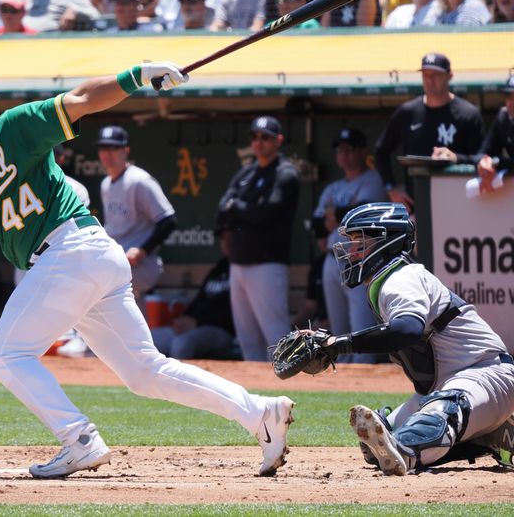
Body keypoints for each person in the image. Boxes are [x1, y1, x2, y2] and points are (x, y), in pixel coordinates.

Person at [0, 64, 296, 479]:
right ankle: (259, 412)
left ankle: (78, 439)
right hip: (82, 259)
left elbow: (82, 99)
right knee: (144, 372)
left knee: (6, 352)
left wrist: (137, 75)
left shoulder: (13, 128)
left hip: (71, 248)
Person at [316, 202, 514, 475]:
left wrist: (341, 344)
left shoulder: (401, 277)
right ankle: (488, 432)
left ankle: (463, 429)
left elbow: (407, 329)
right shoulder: (389, 279)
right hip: (448, 383)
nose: (351, 251)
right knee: (380, 445)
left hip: (485, 374)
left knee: (414, 436)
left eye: (360, 241)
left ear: (386, 242)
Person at [216, 115, 300, 361]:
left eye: (266, 137)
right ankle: (256, 391)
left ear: (278, 140)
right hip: (239, 262)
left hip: (268, 263)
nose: (259, 142)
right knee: (247, 338)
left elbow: (266, 213)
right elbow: (221, 209)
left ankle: (290, 387)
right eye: (255, 137)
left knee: (275, 336)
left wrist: (237, 207)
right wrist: (243, 209)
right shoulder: (247, 172)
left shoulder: (285, 173)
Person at [374, 52, 485, 212]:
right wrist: (391, 188)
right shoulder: (408, 112)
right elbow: (381, 150)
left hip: (460, 205)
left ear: (449, 76)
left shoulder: (468, 114)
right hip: (418, 206)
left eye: (436, 75)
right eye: (426, 74)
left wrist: (455, 158)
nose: (430, 80)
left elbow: (482, 159)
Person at [312, 128, 387, 363]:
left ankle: (365, 376)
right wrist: (339, 216)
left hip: (361, 261)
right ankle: (343, 381)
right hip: (332, 262)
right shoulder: (333, 187)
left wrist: (337, 215)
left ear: (364, 151)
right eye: (340, 150)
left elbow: (359, 214)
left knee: (360, 328)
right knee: (339, 331)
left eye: (349, 149)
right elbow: (317, 225)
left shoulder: (374, 179)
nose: (343, 154)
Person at [97, 125, 178, 309]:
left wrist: (142, 251)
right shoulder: (106, 184)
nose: (108, 153)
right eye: (103, 148)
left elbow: (168, 221)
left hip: (141, 265)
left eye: (113, 148)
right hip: (118, 263)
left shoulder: (138, 180)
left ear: (126, 150)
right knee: (129, 314)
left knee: (101, 296)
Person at [150, 228, 237, 360]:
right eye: (224, 239)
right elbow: (199, 300)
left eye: (232, 238)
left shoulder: (243, 272)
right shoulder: (218, 269)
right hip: (195, 326)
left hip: (222, 330)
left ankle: (181, 380)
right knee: (149, 339)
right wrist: (184, 319)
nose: (228, 243)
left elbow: (234, 314)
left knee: (181, 344)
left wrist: (197, 322)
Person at [473, 74, 514, 193]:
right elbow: (483, 152)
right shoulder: (504, 118)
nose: (511, 103)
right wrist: (484, 164)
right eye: (508, 96)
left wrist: (497, 162)